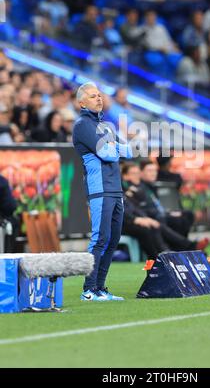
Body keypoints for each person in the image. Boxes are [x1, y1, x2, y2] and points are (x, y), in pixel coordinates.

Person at [72, 82, 132, 302]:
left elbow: (130, 151)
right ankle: (88, 290)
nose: (98, 99)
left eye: (99, 95)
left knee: (113, 238)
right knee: (100, 238)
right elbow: (108, 154)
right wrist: (115, 148)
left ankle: (99, 288)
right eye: (92, 96)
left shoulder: (106, 126)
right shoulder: (82, 125)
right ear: (81, 102)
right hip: (100, 189)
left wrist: (114, 148)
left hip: (115, 189)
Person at [0, 173, 17, 252]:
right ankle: (7, 254)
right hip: (3, 219)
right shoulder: (2, 181)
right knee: (14, 222)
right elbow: (10, 206)